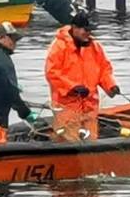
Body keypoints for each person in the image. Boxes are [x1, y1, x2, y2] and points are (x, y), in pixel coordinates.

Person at [45, 11, 121, 141]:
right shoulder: (59, 47)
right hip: (67, 106)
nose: (88, 33)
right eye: (85, 30)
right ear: (74, 28)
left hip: (90, 106)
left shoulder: (95, 47)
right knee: (70, 141)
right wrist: (72, 88)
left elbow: (104, 70)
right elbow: (52, 73)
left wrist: (111, 86)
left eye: (90, 30)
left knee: (91, 141)